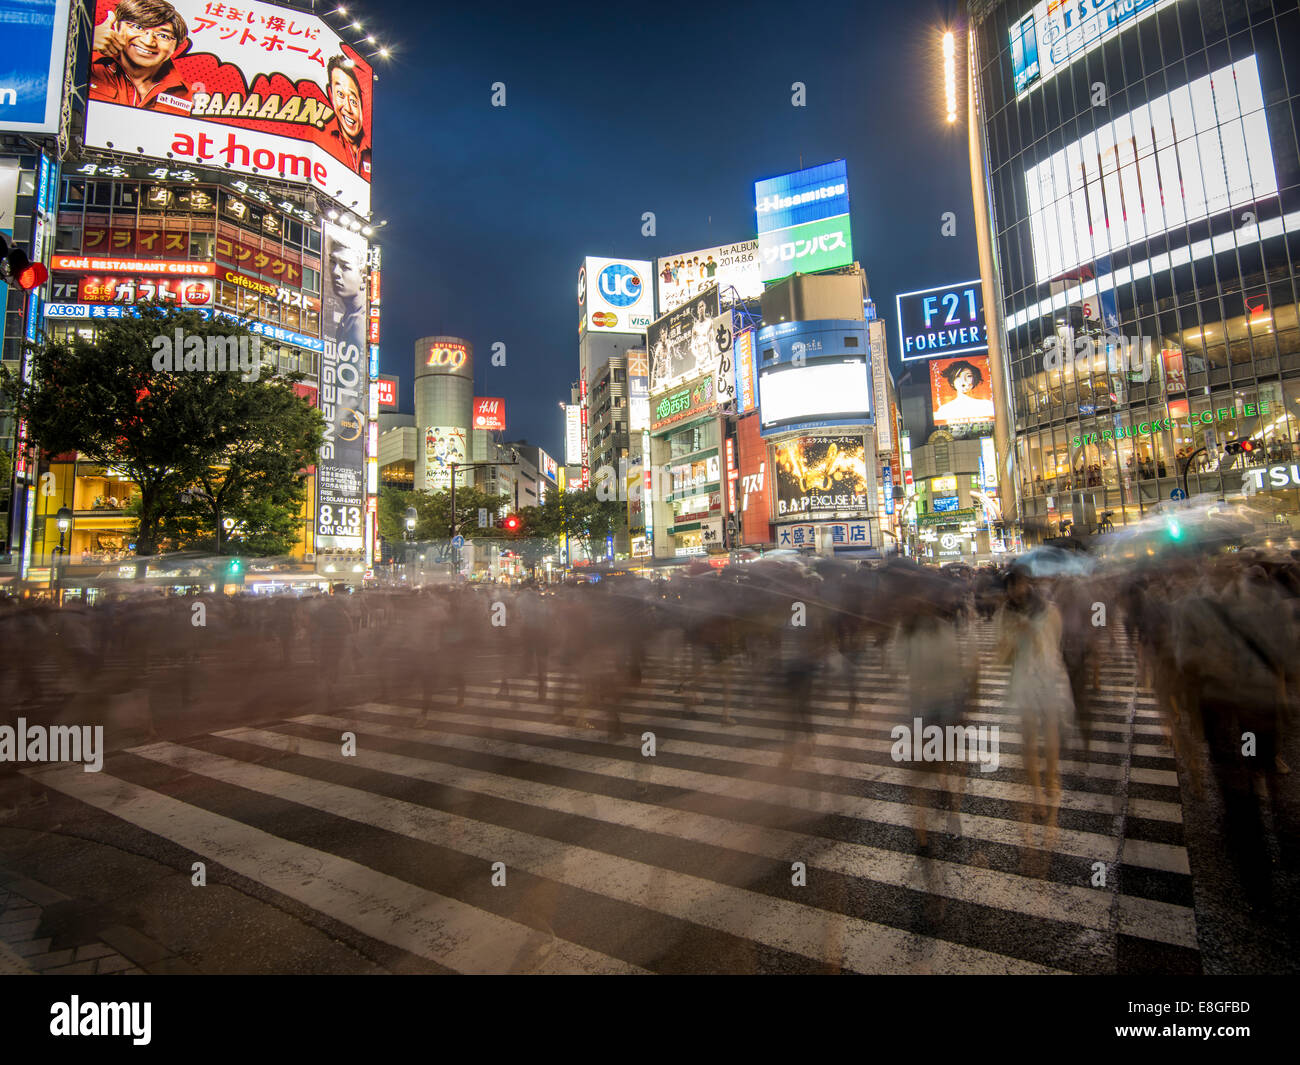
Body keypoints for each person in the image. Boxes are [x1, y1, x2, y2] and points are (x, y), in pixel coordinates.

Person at [88, 0, 193, 115]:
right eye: (137, 27)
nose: (148, 42)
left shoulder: (190, 96)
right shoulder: (88, 65)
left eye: (163, 36)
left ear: (176, 46)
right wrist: (85, 42)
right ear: (117, 26)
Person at [325, 55, 372, 178]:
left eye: (353, 101)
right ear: (331, 95)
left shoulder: (369, 150)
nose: (347, 108)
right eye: (340, 94)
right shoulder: (324, 136)